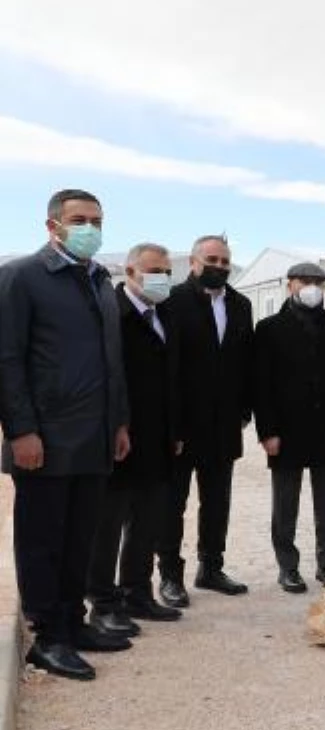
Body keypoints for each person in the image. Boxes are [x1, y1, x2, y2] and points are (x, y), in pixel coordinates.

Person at [0, 189, 132, 680]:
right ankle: (48, 637)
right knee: (43, 539)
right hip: (46, 438)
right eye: (79, 219)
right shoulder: (21, 277)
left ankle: (74, 624)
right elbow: (7, 360)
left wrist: (117, 422)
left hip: (94, 435)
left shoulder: (97, 279)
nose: (90, 227)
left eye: (97, 219)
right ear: (52, 224)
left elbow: (110, 362)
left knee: (82, 537)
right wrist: (21, 431)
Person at [87, 243, 183, 639]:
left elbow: (175, 378)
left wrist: (176, 430)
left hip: (159, 439)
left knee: (148, 520)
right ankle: (103, 604)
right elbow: (106, 377)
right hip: (121, 436)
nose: (161, 277)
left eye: (165, 270)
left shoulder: (165, 314)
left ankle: (137, 592)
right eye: (152, 270)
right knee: (107, 525)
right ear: (129, 271)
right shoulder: (110, 312)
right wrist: (116, 426)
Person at [159, 234, 254, 607]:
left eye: (225, 261)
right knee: (173, 503)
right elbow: (166, 365)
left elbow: (246, 361)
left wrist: (245, 410)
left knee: (217, 502)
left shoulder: (241, 305)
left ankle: (211, 568)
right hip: (182, 426)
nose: (219, 266)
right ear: (194, 262)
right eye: (212, 259)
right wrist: (172, 423)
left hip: (224, 424)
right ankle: (169, 574)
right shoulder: (172, 300)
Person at [254, 263, 325, 592]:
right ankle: (288, 567)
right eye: (305, 282)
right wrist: (267, 431)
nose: (312, 287)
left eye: (318, 282)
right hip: (285, 432)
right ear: (290, 286)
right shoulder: (269, 328)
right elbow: (262, 385)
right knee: (285, 504)